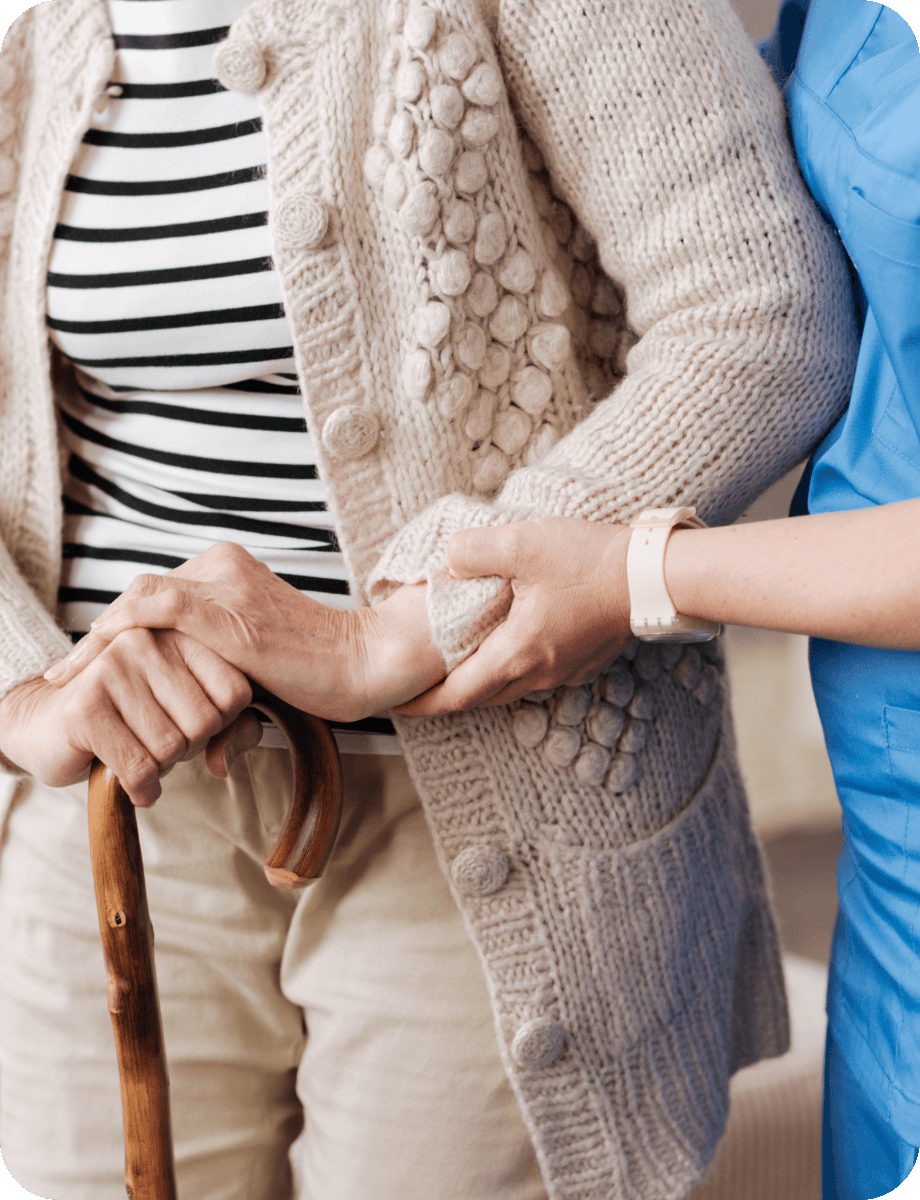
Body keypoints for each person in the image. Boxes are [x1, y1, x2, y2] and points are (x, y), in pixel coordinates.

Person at [0, 2, 858, 1198]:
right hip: (115, 817)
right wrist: (20, 683)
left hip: (495, 800)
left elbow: (761, 314)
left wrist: (409, 621)